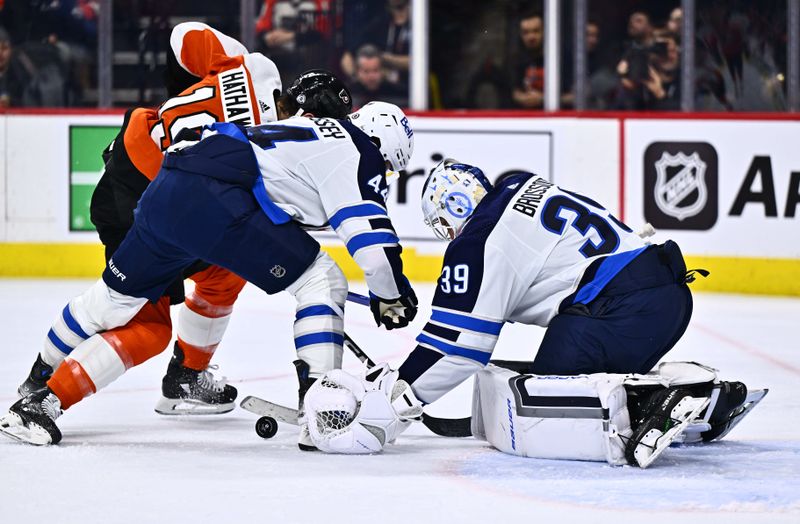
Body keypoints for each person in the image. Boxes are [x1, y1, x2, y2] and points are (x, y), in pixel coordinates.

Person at [1, 100, 417, 448]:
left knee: (110, 303)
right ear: (384, 145)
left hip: (169, 185)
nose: (383, 174)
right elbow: (374, 255)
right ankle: (322, 412)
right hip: (220, 203)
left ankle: (37, 394)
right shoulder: (359, 151)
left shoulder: (307, 127)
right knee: (321, 280)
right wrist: (391, 293)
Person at [300, 159, 757, 466]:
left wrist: (397, 400)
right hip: (665, 293)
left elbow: (460, 347)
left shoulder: (476, 241)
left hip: (619, 308)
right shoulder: (521, 188)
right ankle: (704, 395)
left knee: (542, 401)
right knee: (560, 371)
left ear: (448, 216)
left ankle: (652, 409)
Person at [511, 11, 544, 109]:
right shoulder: (517, 60)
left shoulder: (557, 58)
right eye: (526, 32)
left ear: (544, 31)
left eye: (536, 31)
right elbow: (512, 91)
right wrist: (522, 98)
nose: (531, 37)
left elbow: (575, 96)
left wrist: (543, 99)